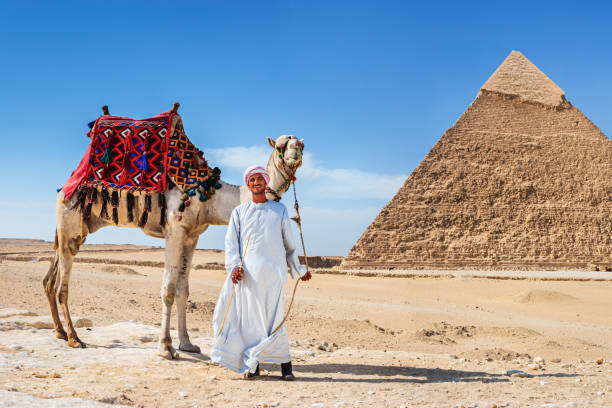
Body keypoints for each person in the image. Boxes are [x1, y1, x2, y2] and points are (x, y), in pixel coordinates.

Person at [210, 165, 312, 380]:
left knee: (275, 320)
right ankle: (253, 364)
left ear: (266, 183)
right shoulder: (239, 212)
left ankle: (286, 367)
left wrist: (299, 270)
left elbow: (289, 245)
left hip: (274, 275)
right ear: (248, 184)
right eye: (253, 179)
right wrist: (235, 268)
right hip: (249, 277)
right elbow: (231, 245)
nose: (257, 183)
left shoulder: (280, 210)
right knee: (252, 323)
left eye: (260, 179)